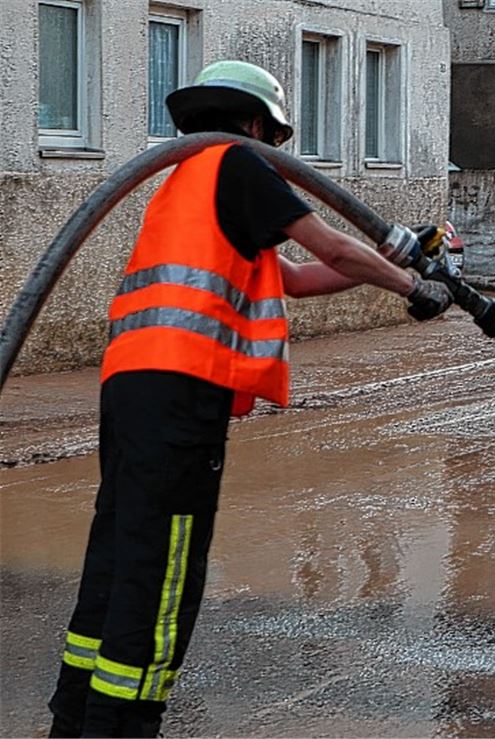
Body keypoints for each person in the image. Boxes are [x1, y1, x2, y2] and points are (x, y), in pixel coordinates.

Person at [46, 60, 453, 738]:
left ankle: (74, 719)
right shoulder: (239, 165)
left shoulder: (187, 181)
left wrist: (398, 267)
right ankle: (122, 726)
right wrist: (414, 291)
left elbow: (294, 277)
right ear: (259, 124)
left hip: (130, 389)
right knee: (164, 568)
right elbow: (331, 243)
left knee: (119, 553)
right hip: (181, 393)